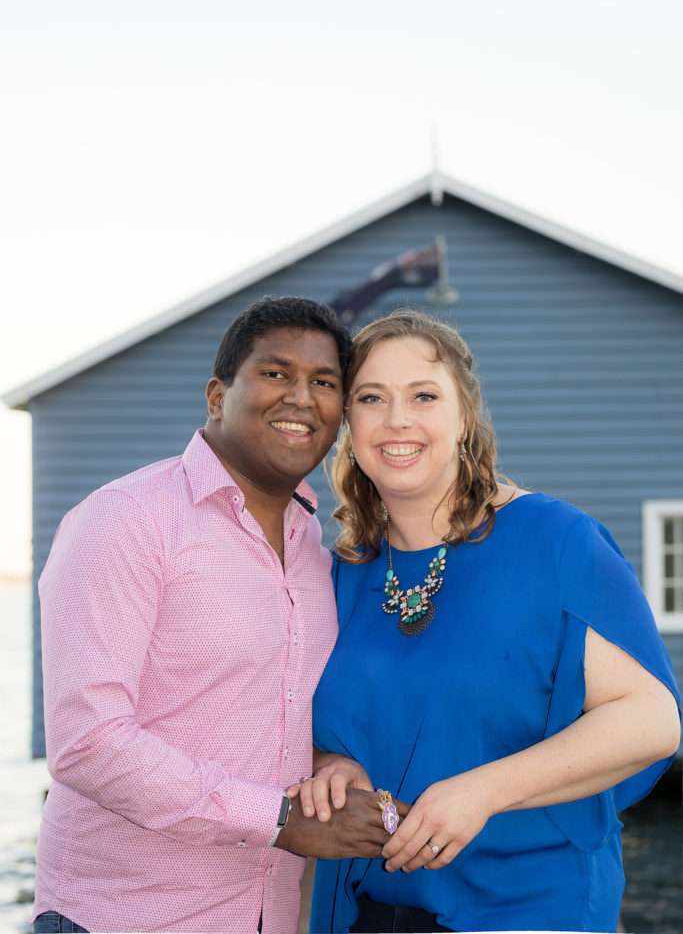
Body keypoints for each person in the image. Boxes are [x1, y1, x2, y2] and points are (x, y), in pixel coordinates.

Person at [301, 309, 681, 934]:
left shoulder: (555, 541)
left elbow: (653, 720)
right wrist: (332, 764)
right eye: (372, 398)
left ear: (463, 418)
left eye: (423, 395)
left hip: (526, 910)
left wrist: (480, 792)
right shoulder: (342, 573)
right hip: (366, 912)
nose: (397, 419)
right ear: (350, 424)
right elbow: (329, 723)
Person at [32, 296, 402, 934]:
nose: (300, 397)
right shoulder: (125, 521)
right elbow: (86, 742)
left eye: (324, 383)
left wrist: (326, 767)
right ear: (216, 395)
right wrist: (281, 820)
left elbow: (262, 721)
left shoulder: (313, 554)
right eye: (275, 373)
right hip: (123, 919)